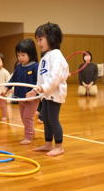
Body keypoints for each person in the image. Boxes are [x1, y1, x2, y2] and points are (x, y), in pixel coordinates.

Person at [27, 22, 69, 156]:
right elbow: (41, 78)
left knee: (53, 119)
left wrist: (43, 88)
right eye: (37, 40)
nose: (38, 43)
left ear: (51, 38)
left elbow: (54, 77)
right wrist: (36, 90)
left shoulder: (56, 55)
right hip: (46, 94)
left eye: (40, 39)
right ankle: (47, 143)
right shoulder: (46, 56)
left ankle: (59, 146)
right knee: (45, 118)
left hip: (55, 94)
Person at [2, 39, 39, 144]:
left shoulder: (36, 66)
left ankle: (28, 137)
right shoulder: (18, 67)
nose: (20, 58)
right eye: (18, 55)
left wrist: (34, 91)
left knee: (27, 117)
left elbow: (40, 82)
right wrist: (6, 88)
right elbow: (13, 79)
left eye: (23, 55)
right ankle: (32, 132)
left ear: (30, 54)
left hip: (32, 98)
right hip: (20, 98)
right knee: (23, 117)